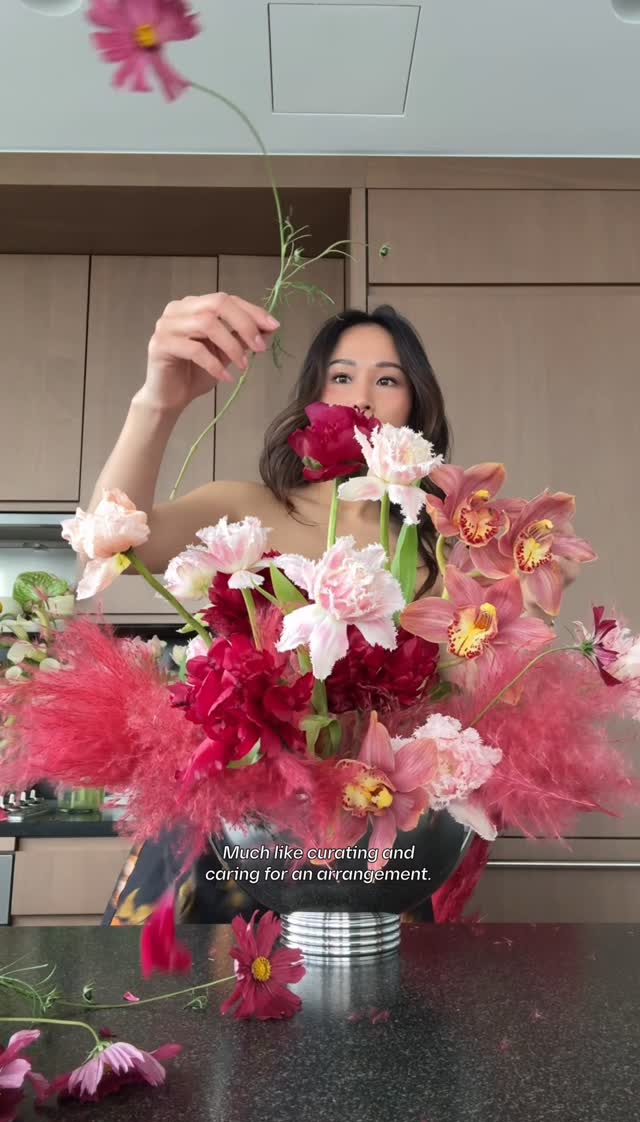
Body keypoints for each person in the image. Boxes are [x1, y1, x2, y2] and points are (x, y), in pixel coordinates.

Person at [93, 291, 559, 926]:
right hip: (228, 835)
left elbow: (476, 703)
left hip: (375, 854)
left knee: (373, 1019)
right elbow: (112, 539)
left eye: (387, 379)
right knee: (177, 1016)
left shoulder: (446, 556)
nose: (360, 397)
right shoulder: (246, 507)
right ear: (314, 401)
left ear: (416, 408)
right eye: (341, 376)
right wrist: (159, 400)